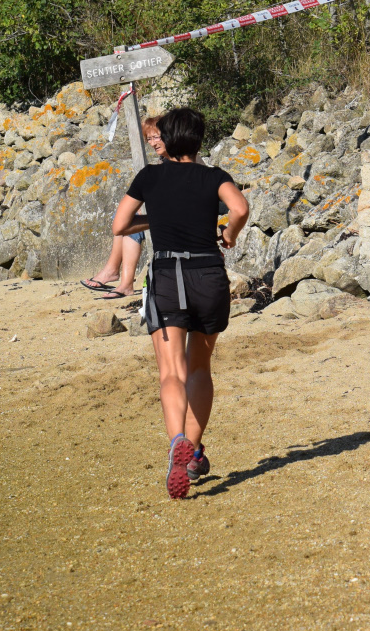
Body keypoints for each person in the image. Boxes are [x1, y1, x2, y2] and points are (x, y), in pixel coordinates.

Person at [112, 107, 249, 499]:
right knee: (200, 367)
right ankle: (194, 452)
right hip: (208, 275)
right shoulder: (214, 176)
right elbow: (240, 209)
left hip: (168, 277)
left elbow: (120, 226)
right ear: (198, 140)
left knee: (170, 372)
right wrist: (229, 235)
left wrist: (153, 220)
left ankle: (177, 441)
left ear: (168, 139)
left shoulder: (149, 177)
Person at [82, 116, 164, 299]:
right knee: (124, 217)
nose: (152, 143)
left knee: (129, 223)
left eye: (156, 137)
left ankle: (119, 277)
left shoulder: (180, 160)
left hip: (175, 218)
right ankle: (115, 273)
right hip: (164, 214)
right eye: (149, 139)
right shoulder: (163, 161)